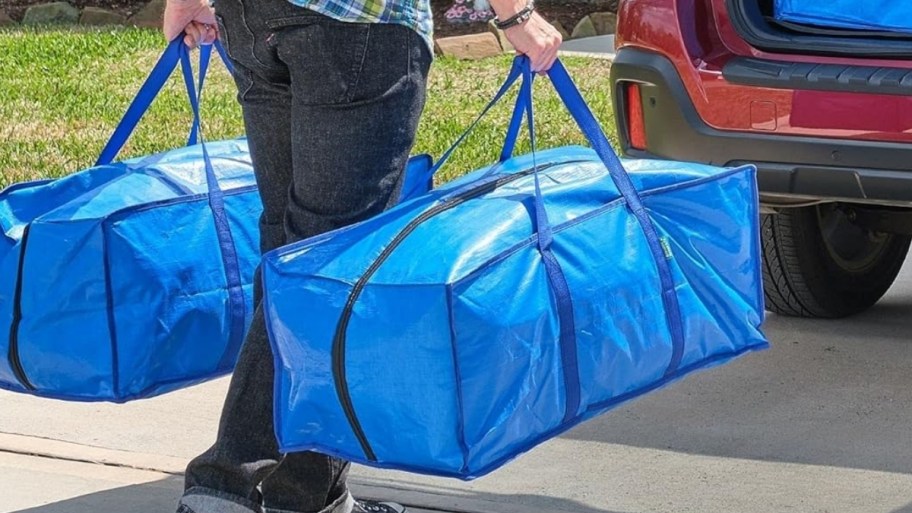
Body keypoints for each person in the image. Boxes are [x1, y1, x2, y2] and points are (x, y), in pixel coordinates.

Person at [162, 0, 561, 510]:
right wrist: (517, 15)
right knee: (331, 265)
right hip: (356, 24)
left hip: (253, 16)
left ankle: (307, 492)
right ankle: (222, 487)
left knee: (294, 250)